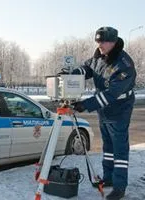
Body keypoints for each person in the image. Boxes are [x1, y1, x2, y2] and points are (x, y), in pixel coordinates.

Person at [63, 27, 136, 200]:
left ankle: (119, 187)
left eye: (103, 42)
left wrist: (84, 105)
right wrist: (71, 74)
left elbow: (110, 94)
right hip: (104, 109)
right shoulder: (99, 57)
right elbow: (86, 68)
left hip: (119, 109)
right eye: (98, 42)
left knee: (119, 148)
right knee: (108, 146)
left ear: (113, 42)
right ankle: (108, 178)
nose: (99, 45)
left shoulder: (124, 65)